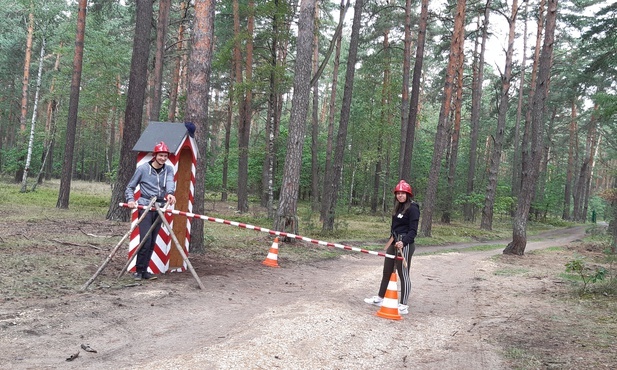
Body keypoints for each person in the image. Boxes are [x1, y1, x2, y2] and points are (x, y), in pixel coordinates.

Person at [364, 180, 420, 315]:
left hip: (405, 244)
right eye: (398, 193)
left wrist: (404, 242)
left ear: (408, 194)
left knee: (403, 274)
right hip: (394, 241)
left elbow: (413, 230)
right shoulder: (398, 208)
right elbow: (394, 226)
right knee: (387, 271)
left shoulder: (413, 208)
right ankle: (380, 298)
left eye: (403, 193)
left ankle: (404, 305)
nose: (400, 195)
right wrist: (393, 240)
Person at [125, 141, 177, 280]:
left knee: (153, 240)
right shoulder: (142, 169)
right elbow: (130, 187)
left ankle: (145, 271)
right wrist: (130, 200)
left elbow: (171, 182)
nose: (163, 158)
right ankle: (138, 271)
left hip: (160, 207)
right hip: (145, 206)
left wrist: (170, 193)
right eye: (161, 155)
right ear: (155, 155)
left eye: (165, 156)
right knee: (145, 239)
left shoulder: (169, 169)